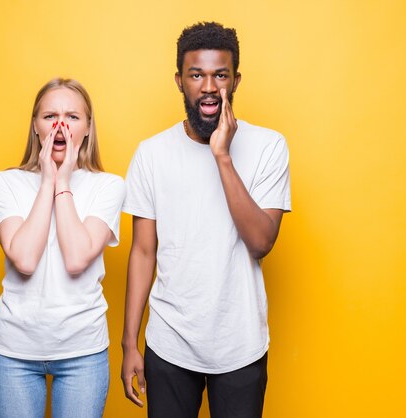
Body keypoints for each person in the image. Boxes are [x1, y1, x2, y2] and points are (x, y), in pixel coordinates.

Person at [121, 22, 292, 418]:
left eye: (221, 75)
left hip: (240, 345)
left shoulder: (269, 147)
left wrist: (222, 156)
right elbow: (143, 252)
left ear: (236, 80)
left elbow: (261, 241)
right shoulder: (152, 153)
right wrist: (131, 343)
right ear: (180, 81)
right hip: (169, 344)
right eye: (197, 74)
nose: (210, 87)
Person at [0, 78, 125, 418]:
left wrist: (63, 181)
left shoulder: (108, 186)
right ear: (35, 126)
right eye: (50, 116)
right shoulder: (5, 182)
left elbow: (77, 258)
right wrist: (48, 179)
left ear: (88, 128)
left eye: (73, 117)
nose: (60, 125)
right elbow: (25, 259)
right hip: (14, 353)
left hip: (83, 352)